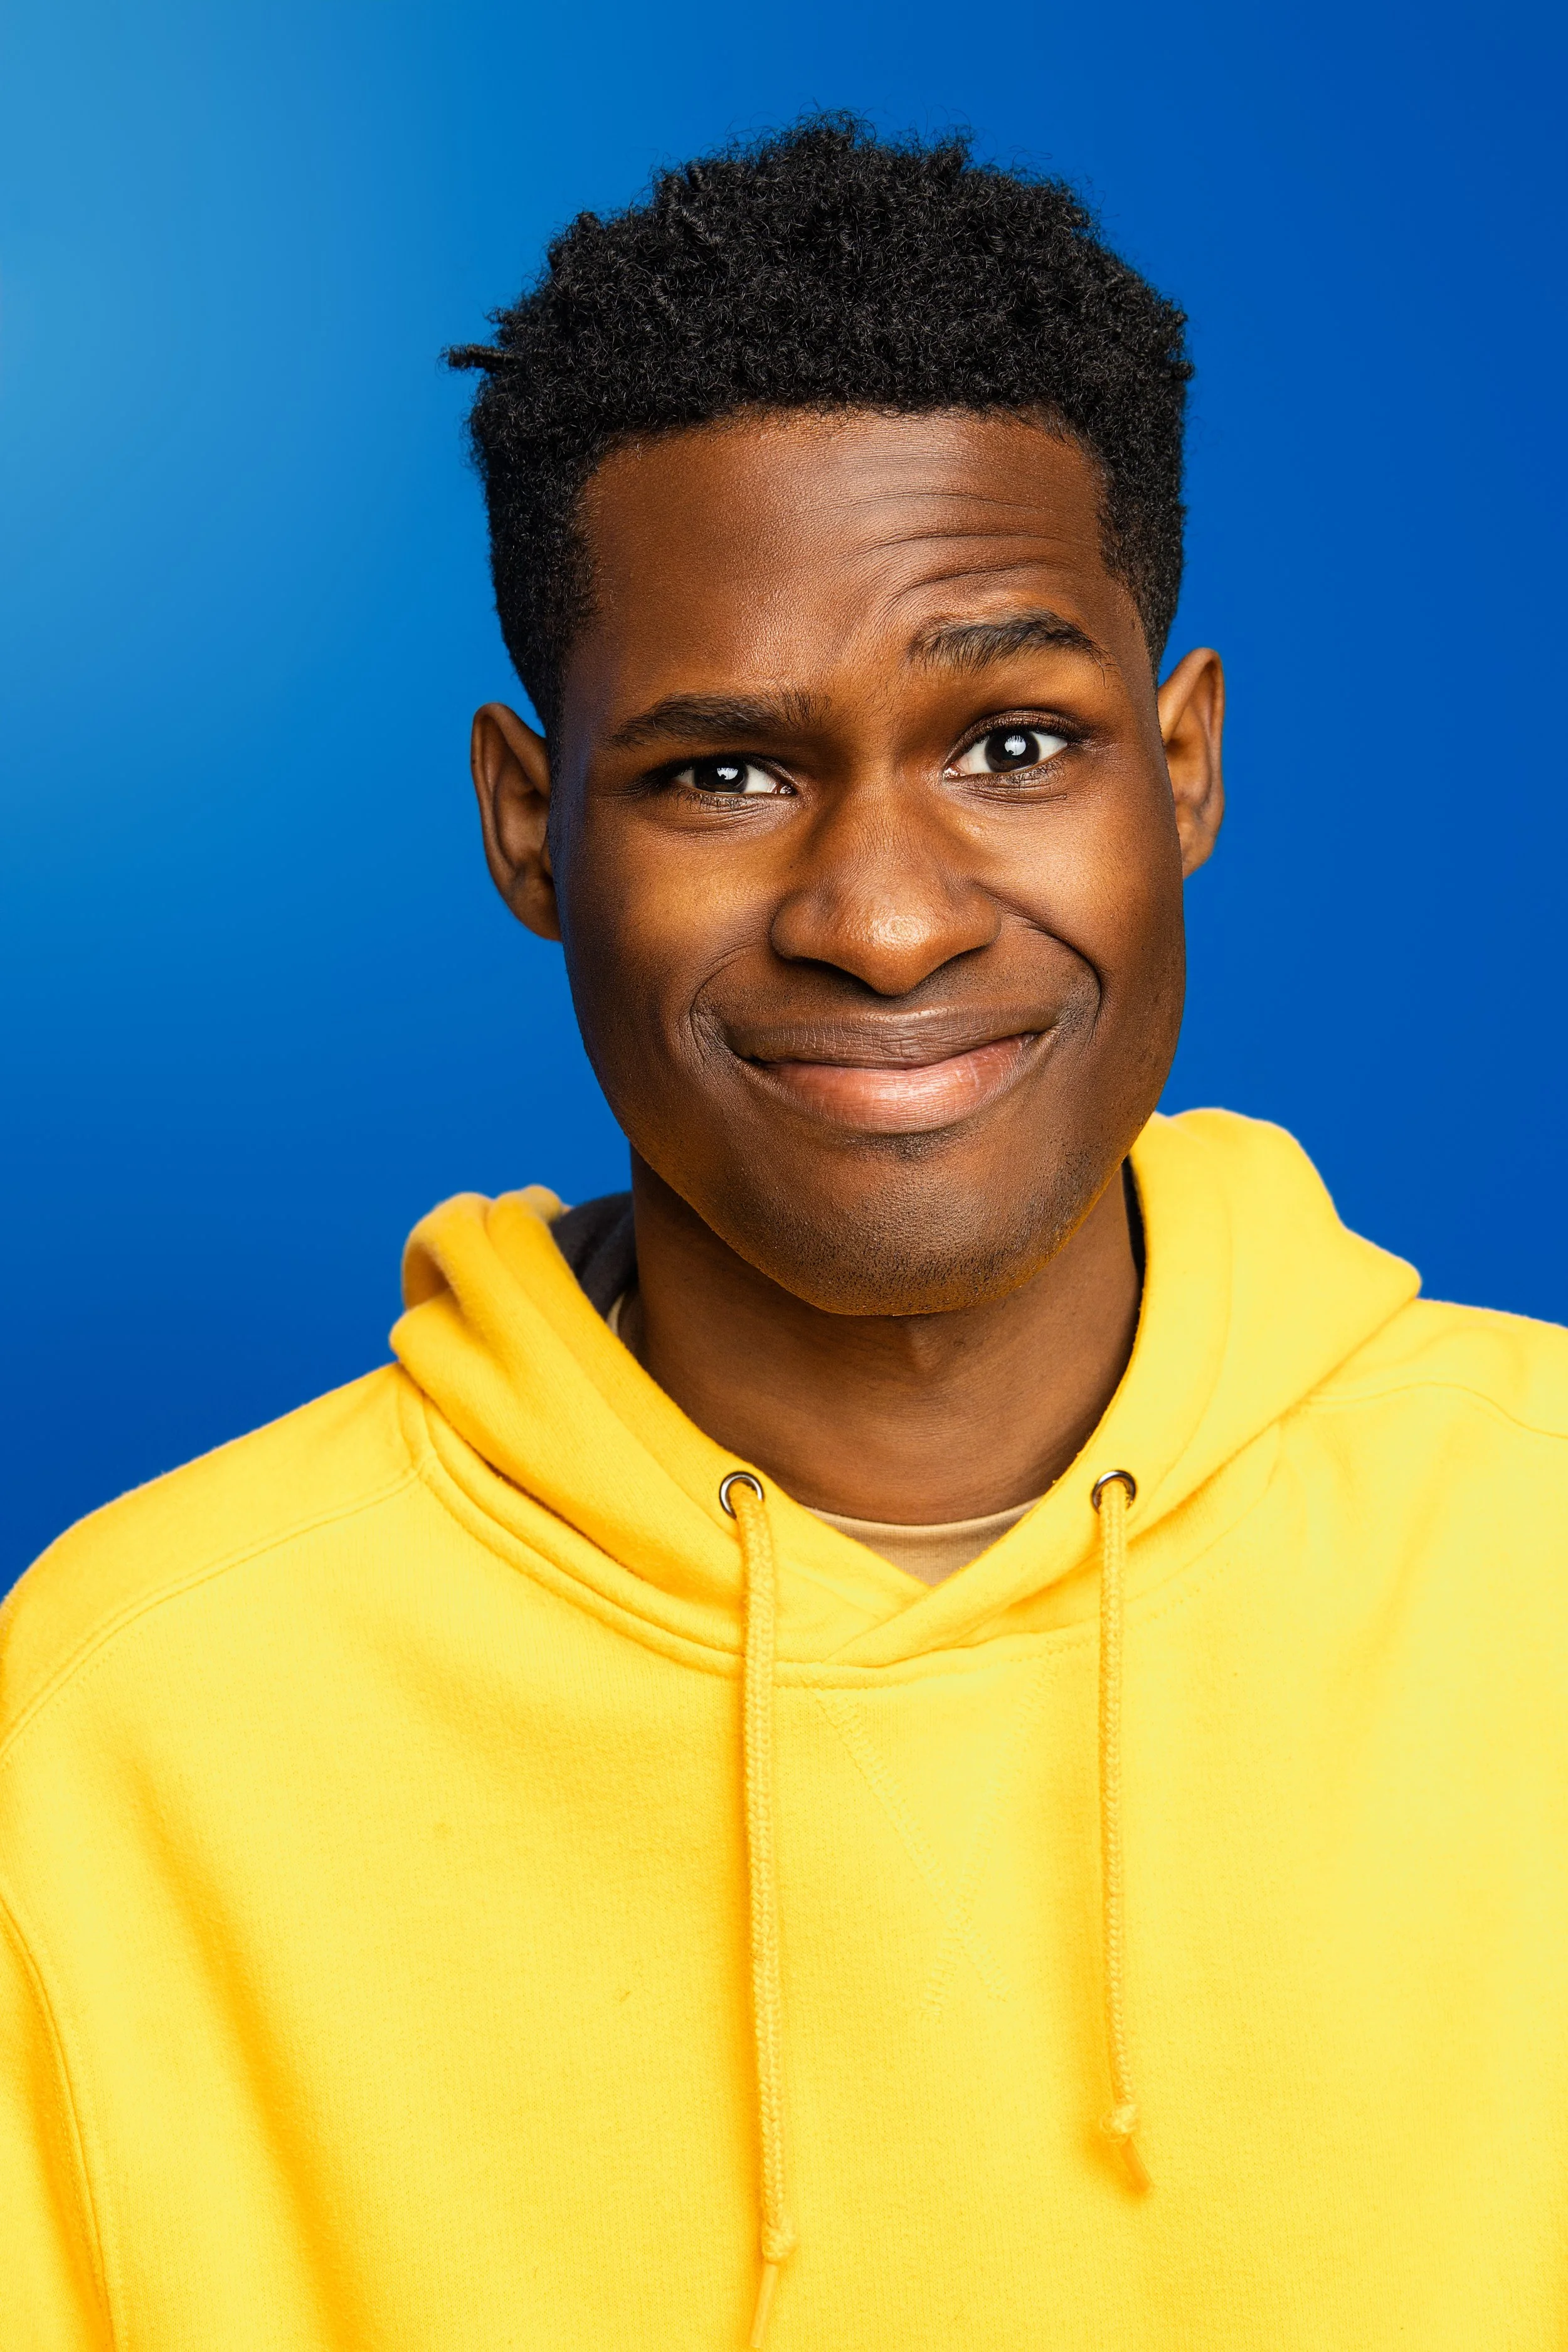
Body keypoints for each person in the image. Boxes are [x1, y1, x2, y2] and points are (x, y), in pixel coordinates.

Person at [3, 114, 1565, 2352]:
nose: (888, 918)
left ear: (1184, 765)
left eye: (1012, 742)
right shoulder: (114, 1729)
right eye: (721, 774)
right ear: (531, 829)